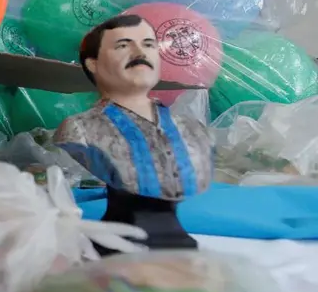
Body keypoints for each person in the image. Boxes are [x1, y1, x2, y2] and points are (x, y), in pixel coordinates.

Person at [53, 14, 212, 253]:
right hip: (119, 241)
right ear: (92, 64)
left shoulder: (192, 130)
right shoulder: (79, 130)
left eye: (148, 44)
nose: (140, 52)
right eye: (123, 45)